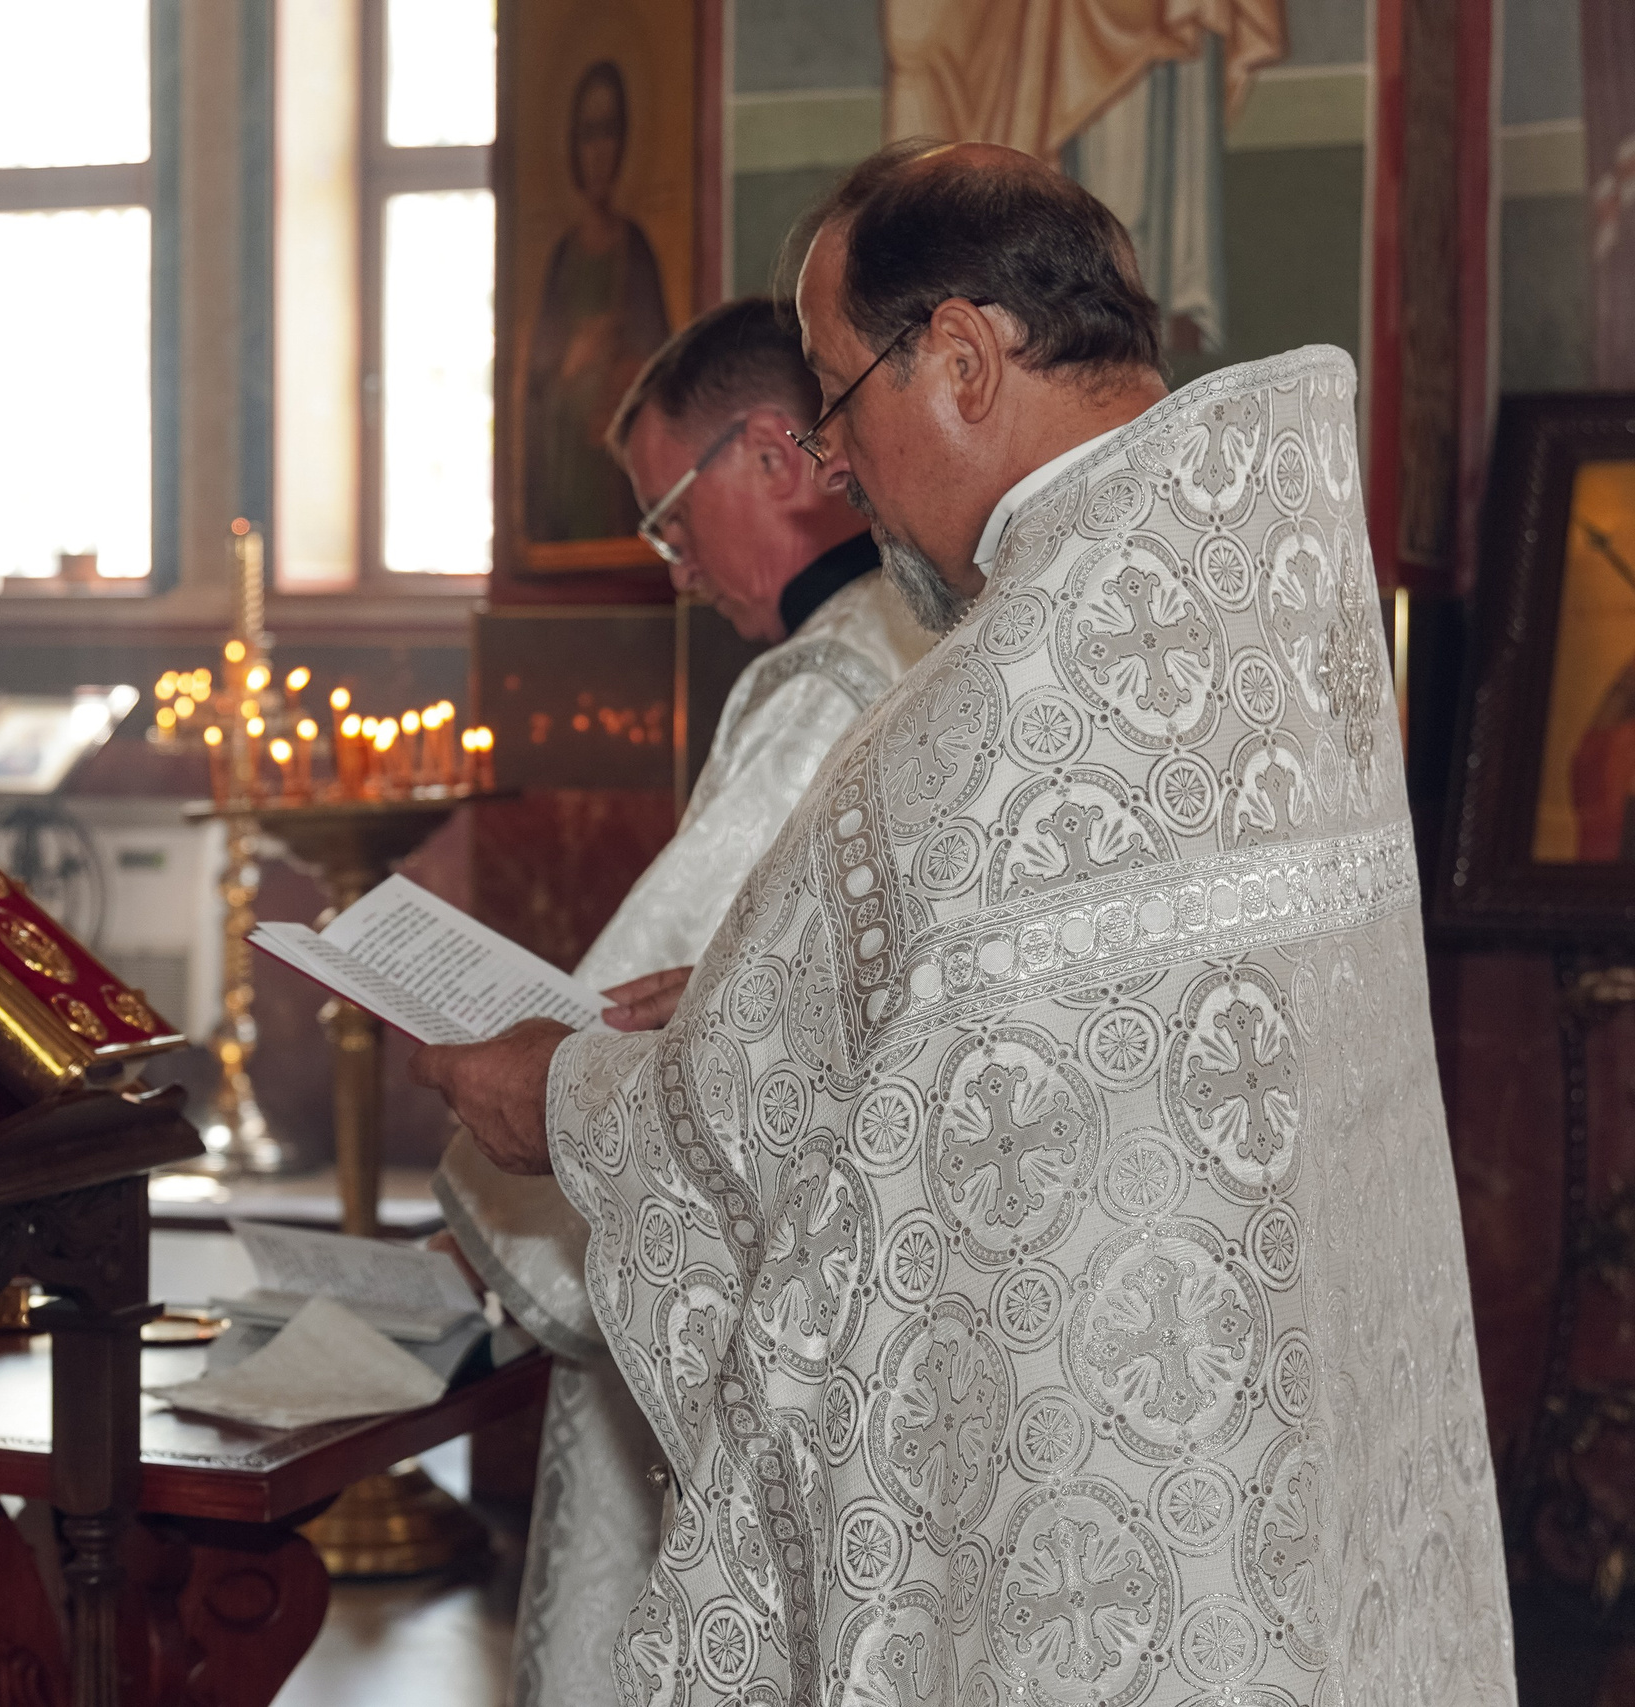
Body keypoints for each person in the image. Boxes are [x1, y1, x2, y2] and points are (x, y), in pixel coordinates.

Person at [415, 141, 1515, 1705]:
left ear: (961, 356)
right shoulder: (1258, 599)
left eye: (838, 397)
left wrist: (551, 1096)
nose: (838, 464)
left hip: (1089, 1519)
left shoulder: (1005, 701)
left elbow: (743, 1125)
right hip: (1278, 1445)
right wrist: (743, 1001)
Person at [438, 295, 937, 1707]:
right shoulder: (929, 623)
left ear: (776, 455)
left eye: (668, 518)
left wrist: (508, 1111)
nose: (671, 570)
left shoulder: (832, 674)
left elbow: (620, 1024)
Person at [521, 60, 671, 545]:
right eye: (588, 134)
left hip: (618, 474)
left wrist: (625, 378)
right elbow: (538, 389)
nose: (599, 150)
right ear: (572, 145)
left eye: (609, 132)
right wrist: (574, 364)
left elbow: (663, 371)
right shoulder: (563, 259)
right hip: (567, 472)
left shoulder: (637, 250)